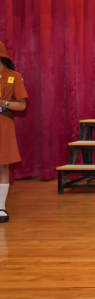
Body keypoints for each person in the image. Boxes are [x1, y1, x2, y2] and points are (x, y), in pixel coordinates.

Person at [0, 41, 28, 224]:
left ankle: (1, 206)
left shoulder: (13, 77)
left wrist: (4, 103)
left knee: (3, 165)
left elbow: (22, 105)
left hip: (3, 123)